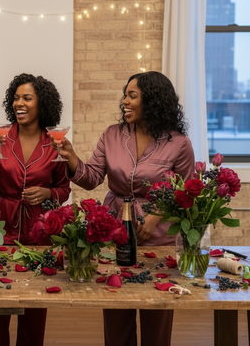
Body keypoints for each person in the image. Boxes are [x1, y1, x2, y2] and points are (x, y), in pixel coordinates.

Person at [54, 71, 195, 346]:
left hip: (159, 238)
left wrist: (154, 219)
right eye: (125, 95)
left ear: (153, 101)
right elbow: (92, 177)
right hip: (114, 230)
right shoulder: (112, 135)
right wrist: (71, 157)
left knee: (157, 317)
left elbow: (184, 193)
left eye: (132, 96)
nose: (124, 102)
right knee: (117, 313)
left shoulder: (179, 143)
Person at [0, 73, 71, 346]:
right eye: (16, 98)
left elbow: (64, 188)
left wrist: (48, 193)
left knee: (34, 306)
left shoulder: (56, 142)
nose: (19, 103)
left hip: (40, 231)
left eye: (27, 98)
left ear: (43, 104)